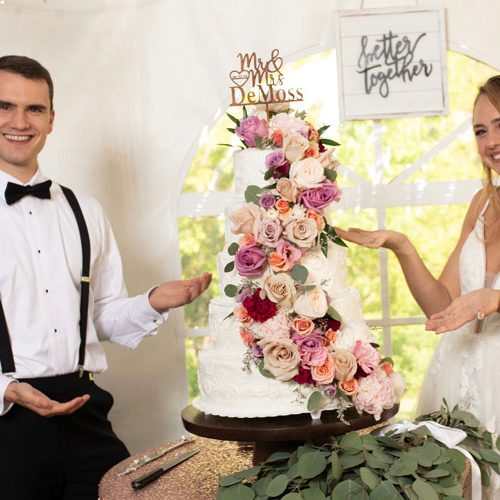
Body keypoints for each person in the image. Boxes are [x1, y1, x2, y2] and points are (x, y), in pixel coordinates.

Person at [0, 55, 212, 500]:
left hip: (84, 412)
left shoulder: (85, 211)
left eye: (34, 108)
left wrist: (152, 301)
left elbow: (97, 318)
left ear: (52, 119)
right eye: (4, 106)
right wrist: (9, 389)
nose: (19, 121)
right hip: (6, 422)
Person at [336, 76, 500, 497]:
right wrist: (401, 246)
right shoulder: (482, 203)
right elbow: (441, 307)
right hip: (456, 380)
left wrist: (495, 298)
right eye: (481, 130)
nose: (491, 141)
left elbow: (485, 299)